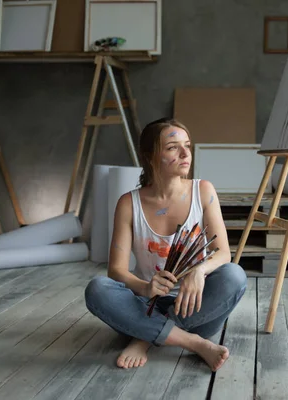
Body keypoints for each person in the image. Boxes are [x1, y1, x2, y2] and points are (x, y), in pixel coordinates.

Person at [84, 117, 247, 372]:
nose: (185, 154)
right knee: (97, 289)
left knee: (235, 276)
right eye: (173, 147)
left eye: (188, 146)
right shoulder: (129, 203)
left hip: (195, 307)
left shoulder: (203, 190)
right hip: (144, 305)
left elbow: (223, 252)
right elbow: (115, 271)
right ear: (150, 156)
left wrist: (199, 271)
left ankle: (144, 337)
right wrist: (146, 287)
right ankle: (192, 342)